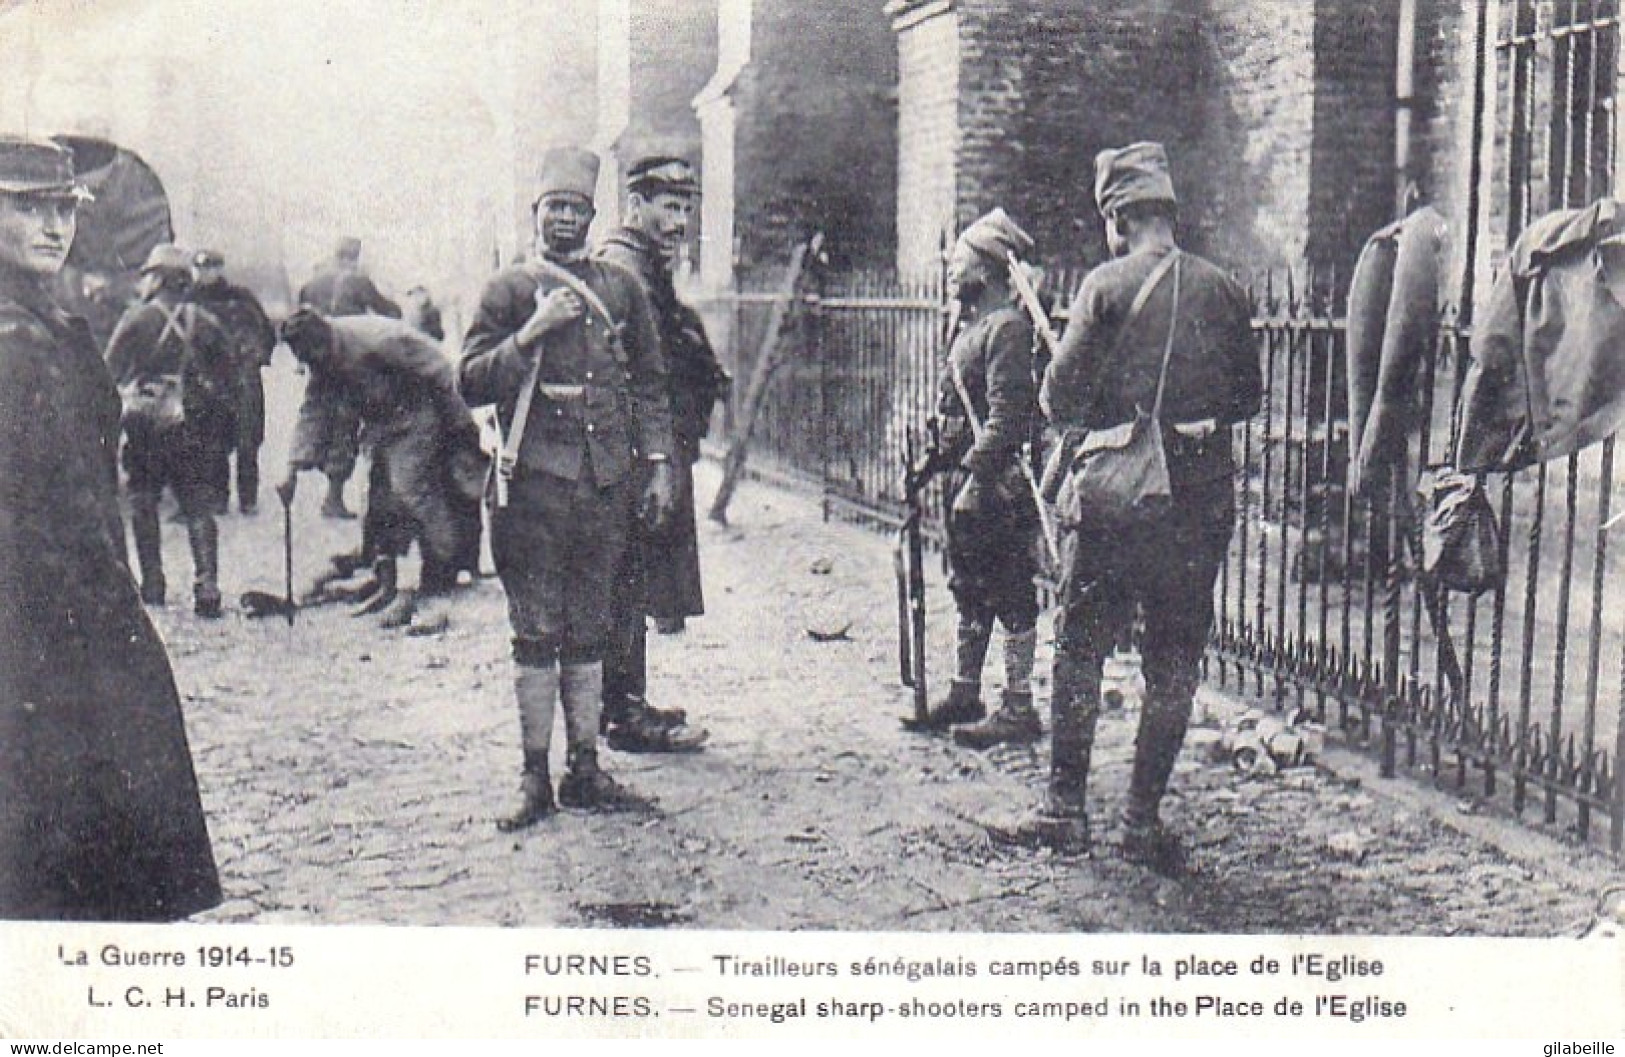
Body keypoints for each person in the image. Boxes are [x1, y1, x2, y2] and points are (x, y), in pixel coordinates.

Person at [0, 135, 221, 920]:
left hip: (70, 587)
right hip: (41, 598)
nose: (52, 225)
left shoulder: (46, 320)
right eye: (27, 207)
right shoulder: (14, 336)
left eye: (62, 207)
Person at [1022, 143, 1260, 868]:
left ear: (1118, 217)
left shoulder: (1104, 285)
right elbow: (1247, 398)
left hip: (1119, 505)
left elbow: (1058, 399)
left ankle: (1065, 810)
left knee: (1081, 646)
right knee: (1173, 659)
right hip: (1196, 506)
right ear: (1169, 213)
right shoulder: (1225, 290)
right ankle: (1139, 822)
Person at [459, 146, 677, 827]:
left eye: (576, 208)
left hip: (604, 485)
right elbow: (469, 381)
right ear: (536, 212)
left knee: (591, 627)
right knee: (535, 630)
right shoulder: (507, 289)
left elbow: (648, 383)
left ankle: (584, 768)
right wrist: (530, 333)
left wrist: (659, 462)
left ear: (591, 216)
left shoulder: (620, 289)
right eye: (554, 206)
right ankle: (533, 778)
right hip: (531, 486)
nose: (565, 218)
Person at [595, 156, 727, 753]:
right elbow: (642, 368)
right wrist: (655, 459)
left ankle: (625, 701)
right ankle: (622, 712)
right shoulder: (628, 267)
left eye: (686, 208)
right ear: (636, 205)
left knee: (636, 572)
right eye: (668, 207)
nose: (679, 221)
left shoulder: (644, 265)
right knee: (627, 575)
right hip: (635, 448)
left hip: (647, 442)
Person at [908, 208, 1044, 750]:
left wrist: (975, 477)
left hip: (999, 486)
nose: (949, 267)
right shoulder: (969, 330)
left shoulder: (1008, 328)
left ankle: (1018, 706)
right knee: (969, 587)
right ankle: (965, 693)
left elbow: (1010, 418)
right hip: (969, 485)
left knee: (1009, 588)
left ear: (987, 268)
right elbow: (956, 417)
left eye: (959, 259)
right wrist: (930, 463)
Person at [276, 309, 483, 634]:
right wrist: (292, 466)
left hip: (417, 417)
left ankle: (443, 569)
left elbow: (439, 369)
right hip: (378, 423)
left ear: (326, 338)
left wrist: (461, 426)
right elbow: (314, 409)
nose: (312, 362)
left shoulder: (379, 340)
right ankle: (386, 581)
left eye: (314, 354)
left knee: (411, 491)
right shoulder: (321, 358)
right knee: (375, 500)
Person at [105, 242, 239, 618]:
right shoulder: (205, 321)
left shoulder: (136, 319)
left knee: (143, 500)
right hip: (191, 426)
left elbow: (107, 373)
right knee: (198, 504)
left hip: (145, 425)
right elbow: (230, 377)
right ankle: (207, 586)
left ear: (158, 278)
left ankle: (153, 584)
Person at [297, 236, 401, 519]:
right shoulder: (359, 282)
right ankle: (333, 497)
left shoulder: (311, 285)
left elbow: (298, 322)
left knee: (315, 414)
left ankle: (297, 466)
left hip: (319, 362)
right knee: (345, 425)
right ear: (355, 257)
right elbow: (389, 311)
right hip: (348, 361)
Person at [189, 248, 275, 514]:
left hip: (243, 378)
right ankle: (219, 498)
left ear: (220, 269)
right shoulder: (190, 300)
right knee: (214, 440)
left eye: (212, 268)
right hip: (211, 380)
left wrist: (257, 356)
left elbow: (267, 332)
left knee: (247, 441)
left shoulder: (241, 297)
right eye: (202, 269)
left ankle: (248, 499)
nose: (206, 274)